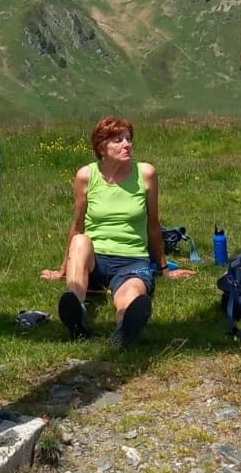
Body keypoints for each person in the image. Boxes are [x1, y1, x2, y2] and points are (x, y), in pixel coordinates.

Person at [40, 116, 193, 346]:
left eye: (128, 139)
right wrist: (62, 269)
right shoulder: (86, 176)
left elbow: (153, 223)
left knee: (130, 296)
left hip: (132, 260)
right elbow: (77, 225)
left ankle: (124, 328)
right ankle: (76, 312)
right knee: (81, 240)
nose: (127, 144)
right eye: (118, 140)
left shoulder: (145, 173)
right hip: (94, 260)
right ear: (102, 147)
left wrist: (163, 269)